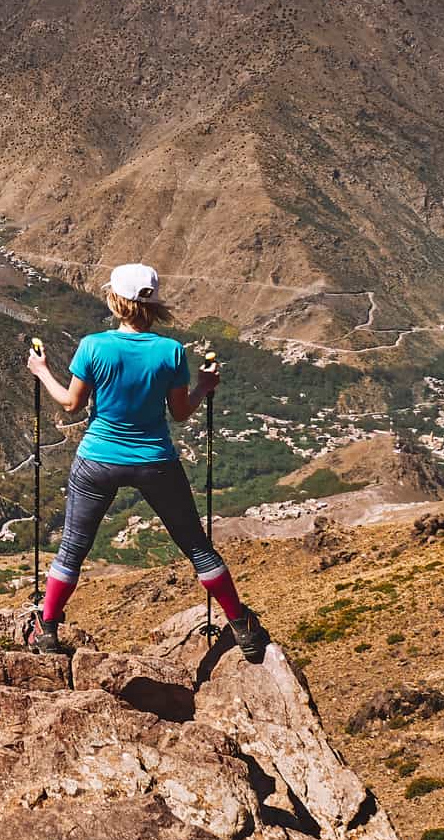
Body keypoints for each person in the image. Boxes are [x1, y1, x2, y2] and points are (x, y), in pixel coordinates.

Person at [24, 262, 269, 663]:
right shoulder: (170, 352)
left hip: (98, 459)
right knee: (198, 548)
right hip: (155, 460)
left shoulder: (93, 346)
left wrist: (41, 371)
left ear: (115, 301)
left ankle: (46, 629)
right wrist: (204, 387)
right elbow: (180, 413)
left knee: (72, 549)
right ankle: (241, 624)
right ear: (154, 305)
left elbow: (71, 404)